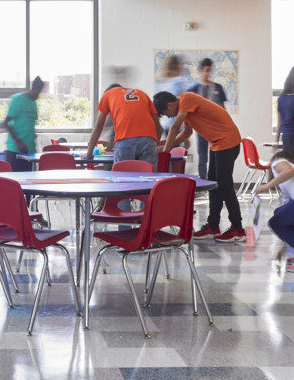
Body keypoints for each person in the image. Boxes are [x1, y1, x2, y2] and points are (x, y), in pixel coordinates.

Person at [155, 89, 245, 243]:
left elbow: (175, 127)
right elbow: (186, 133)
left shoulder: (186, 98)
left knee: (225, 187)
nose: (170, 117)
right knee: (214, 186)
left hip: (227, 142)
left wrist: (165, 152)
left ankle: (238, 229)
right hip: (217, 144)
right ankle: (213, 226)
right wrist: (164, 146)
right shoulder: (185, 109)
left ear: (169, 105)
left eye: (167, 114)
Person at [84, 83, 160, 167]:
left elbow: (98, 126)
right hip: (149, 139)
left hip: (125, 139)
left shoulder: (108, 94)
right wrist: (154, 143)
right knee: (148, 173)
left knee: (122, 173)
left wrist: (89, 154)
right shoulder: (142, 93)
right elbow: (158, 125)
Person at [192, 57, 227, 180]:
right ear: (200, 71)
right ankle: (203, 183)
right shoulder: (194, 89)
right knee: (202, 158)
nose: (208, 73)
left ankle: (215, 183)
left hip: (216, 129)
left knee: (217, 157)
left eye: (210, 70)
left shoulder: (218, 87)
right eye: (206, 70)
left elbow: (223, 109)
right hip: (201, 129)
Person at [3, 76, 46, 171]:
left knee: (28, 178)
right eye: (38, 92)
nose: (39, 96)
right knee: (16, 179)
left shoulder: (33, 103)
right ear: (34, 89)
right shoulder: (18, 100)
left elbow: (29, 125)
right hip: (16, 150)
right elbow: (6, 123)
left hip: (29, 151)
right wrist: (19, 142)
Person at [277, 65, 294, 150]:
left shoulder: (281, 97)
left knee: (289, 157)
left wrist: (277, 141)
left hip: (286, 136)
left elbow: (279, 122)